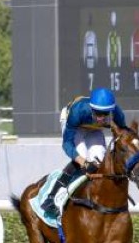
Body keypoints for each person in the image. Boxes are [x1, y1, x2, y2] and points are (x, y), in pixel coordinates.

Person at [40, 87, 127, 220]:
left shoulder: (117, 115)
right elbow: (67, 144)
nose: (100, 118)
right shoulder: (78, 111)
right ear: (92, 108)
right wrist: (83, 162)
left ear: (111, 111)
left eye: (104, 114)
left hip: (94, 130)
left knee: (99, 162)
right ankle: (51, 197)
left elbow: (122, 137)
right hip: (75, 125)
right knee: (82, 159)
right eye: (97, 113)